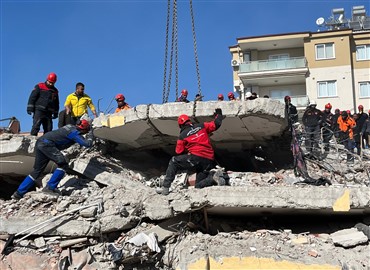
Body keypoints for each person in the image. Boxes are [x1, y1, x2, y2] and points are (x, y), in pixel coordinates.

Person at [11, 120, 94, 200]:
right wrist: (91, 135)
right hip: (48, 145)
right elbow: (87, 144)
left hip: (40, 142)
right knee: (63, 164)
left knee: (37, 170)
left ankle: (18, 193)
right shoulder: (74, 133)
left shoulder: (69, 126)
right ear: (83, 129)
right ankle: (50, 188)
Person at [160, 109, 223, 195]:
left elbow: (178, 151)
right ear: (189, 121)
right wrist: (219, 114)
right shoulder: (202, 126)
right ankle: (212, 178)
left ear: (180, 125)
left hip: (196, 158)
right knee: (198, 187)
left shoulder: (182, 135)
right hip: (209, 159)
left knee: (174, 161)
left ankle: (165, 187)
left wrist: (187, 148)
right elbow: (216, 124)